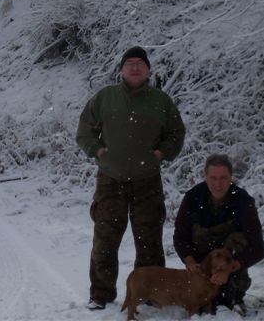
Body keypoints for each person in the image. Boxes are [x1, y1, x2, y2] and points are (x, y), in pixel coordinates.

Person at [76, 46, 186, 310]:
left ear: (148, 69)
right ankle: (100, 294)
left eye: (140, 63)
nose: (135, 67)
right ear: (122, 69)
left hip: (147, 179)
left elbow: (176, 133)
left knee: (149, 239)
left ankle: (151, 293)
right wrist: (98, 151)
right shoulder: (105, 98)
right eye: (130, 63)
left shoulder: (160, 101)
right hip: (110, 179)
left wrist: (162, 153)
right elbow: (84, 131)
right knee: (105, 238)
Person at [173, 154, 264, 314]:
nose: (218, 184)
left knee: (226, 304)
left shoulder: (243, 201)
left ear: (231, 177)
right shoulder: (193, 197)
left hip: (231, 268)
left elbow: (258, 248)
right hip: (200, 268)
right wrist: (189, 261)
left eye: (223, 178)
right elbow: (180, 237)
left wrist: (228, 269)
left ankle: (231, 295)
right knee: (199, 305)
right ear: (205, 177)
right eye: (213, 178)